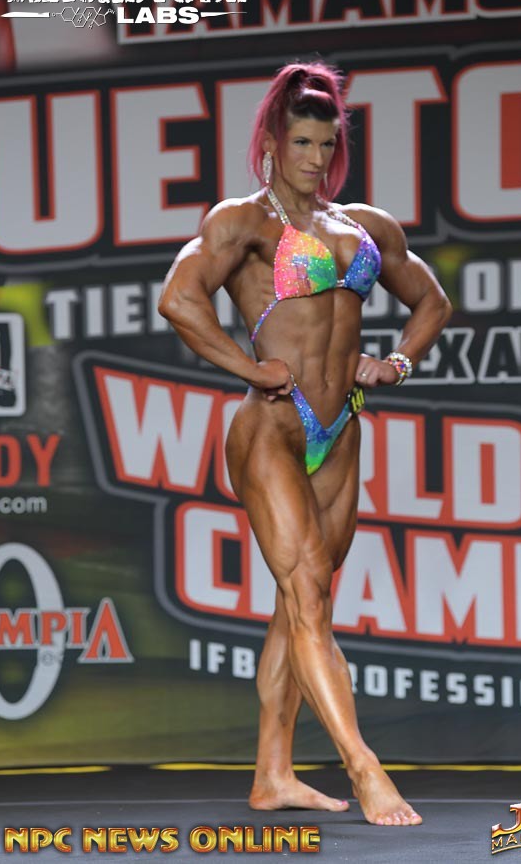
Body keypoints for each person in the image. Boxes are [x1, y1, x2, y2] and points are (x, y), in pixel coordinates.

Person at [158, 61, 452, 827]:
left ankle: (272, 775)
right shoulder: (243, 222)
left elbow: (431, 301)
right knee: (308, 597)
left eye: (327, 144)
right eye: (301, 142)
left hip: (340, 431)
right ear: (271, 142)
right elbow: (179, 299)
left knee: (299, 606)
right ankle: (365, 769)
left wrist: (396, 362)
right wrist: (248, 367)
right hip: (273, 430)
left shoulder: (363, 226)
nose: (316, 158)